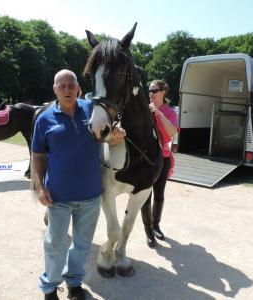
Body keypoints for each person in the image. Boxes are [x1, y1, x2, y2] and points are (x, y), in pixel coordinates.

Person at [31, 69, 125, 300]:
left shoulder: (91, 110)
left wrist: (114, 137)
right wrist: (40, 187)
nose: (66, 89)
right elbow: (38, 156)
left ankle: (74, 283)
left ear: (78, 88)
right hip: (58, 197)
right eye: (61, 86)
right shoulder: (44, 119)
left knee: (82, 245)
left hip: (90, 196)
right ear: (54, 89)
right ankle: (50, 287)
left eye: (70, 85)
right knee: (55, 245)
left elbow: (103, 137)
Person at [141, 80, 178, 248]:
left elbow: (171, 133)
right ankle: (148, 230)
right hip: (145, 159)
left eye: (155, 90)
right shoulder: (143, 109)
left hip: (162, 157)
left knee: (159, 194)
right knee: (145, 196)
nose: (151, 94)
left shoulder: (169, 112)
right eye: (149, 91)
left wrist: (159, 114)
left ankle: (156, 225)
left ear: (163, 91)